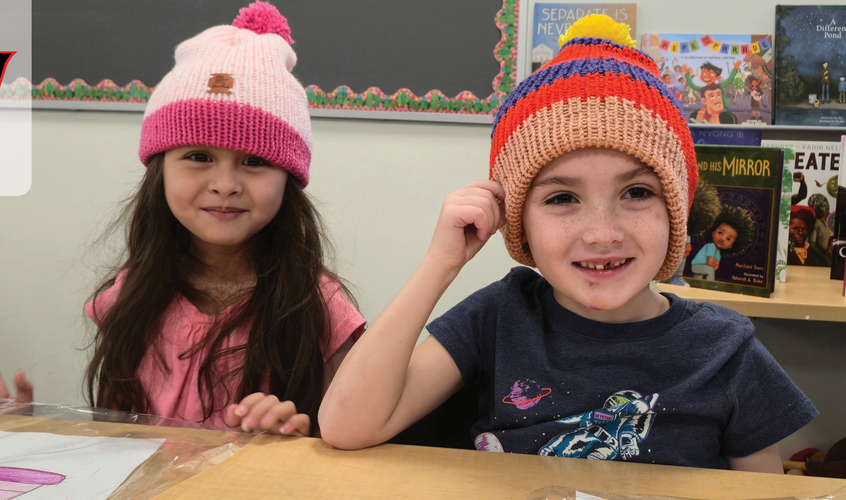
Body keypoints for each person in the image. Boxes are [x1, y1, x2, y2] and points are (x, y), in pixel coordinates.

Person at [319, 14, 817, 472]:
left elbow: (761, 488)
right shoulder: (498, 316)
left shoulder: (726, 349)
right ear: (517, 219)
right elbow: (346, 426)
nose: (602, 232)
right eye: (561, 198)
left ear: (677, 210)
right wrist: (439, 264)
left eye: (637, 192)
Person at [0, 1, 365, 437]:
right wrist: (19, 426)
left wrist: (292, 438)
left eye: (254, 161)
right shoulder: (131, 296)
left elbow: (352, 438)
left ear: (289, 177)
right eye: (198, 156)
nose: (226, 183)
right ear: (160, 169)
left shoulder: (317, 307)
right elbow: (115, 440)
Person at [688, 204, 756, 281]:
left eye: (728, 239)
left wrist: (714, 265)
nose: (723, 238)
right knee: (710, 270)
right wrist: (712, 265)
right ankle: (710, 285)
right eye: (720, 233)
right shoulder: (711, 246)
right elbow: (709, 262)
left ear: (732, 245)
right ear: (712, 232)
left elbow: (716, 265)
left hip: (701, 267)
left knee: (698, 278)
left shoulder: (717, 252)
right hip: (696, 266)